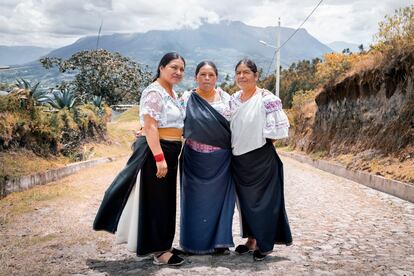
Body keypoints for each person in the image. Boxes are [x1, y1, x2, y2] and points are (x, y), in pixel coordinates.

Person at [93, 52, 186, 266]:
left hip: (170, 150)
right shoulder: (154, 92)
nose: (178, 72)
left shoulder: (170, 92)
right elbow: (151, 125)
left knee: (165, 201)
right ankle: (158, 251)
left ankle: (165, 243)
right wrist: (159, 157)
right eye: (173, 67)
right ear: (161, 68)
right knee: (155, 202)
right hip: (157, 152)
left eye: (181, 69)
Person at [230, 58, 292, 261]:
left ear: (256, 76)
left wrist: (259, 146)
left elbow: (277, 130)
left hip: (261, 159)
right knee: (246, 203)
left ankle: (265, 244)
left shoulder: (266, 98)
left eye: (246, 72)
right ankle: (251, 240)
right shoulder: (233, 100)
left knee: (263, 202)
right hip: (239, 160)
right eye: (238, 72)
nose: (242, 76)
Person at [179, 61, 236, 255]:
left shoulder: (226, 99)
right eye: (202, 74)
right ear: (195, 77)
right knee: (193, 203)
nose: (207, 78)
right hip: (194, 161)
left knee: (221, 202)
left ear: (216, 78)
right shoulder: (187, 98)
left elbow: (239, 119)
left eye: (211, 75)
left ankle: (220, 242)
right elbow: (171, 120)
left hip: (221, 161)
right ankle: (193, 243)